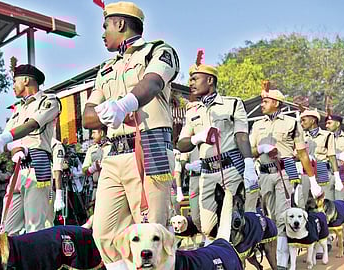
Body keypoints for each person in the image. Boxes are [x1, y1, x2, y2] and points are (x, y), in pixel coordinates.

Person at [82, 2, 180, 265]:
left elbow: (153, 82)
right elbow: (87, 116)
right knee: (104, 233)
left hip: (149, 148)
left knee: (152, 235)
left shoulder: (158, 51)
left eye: (106, 26)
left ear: (121, 24)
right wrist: (104, 112)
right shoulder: (105, 68)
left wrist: (124, 104)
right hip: (114, 154)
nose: (103, 34)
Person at [177, 61, 259, 240]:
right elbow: (181, 144)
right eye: (190, 79)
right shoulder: (192, 112)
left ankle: (236, 258)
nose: (191, 83)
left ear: (210, 80)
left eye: (195, 79)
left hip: (231, 167)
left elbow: (241, 136)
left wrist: (249, 164)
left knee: (233, 219)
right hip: (206, 172)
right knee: (204, 225)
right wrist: (196, 138)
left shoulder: (232, 104)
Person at [0, 64, 60, 235]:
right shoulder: (19, 108)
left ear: (25, 80)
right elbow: (7, 137)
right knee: (8, 230)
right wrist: (13, 147)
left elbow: (32, 125)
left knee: (35, 226)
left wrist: (5, 139)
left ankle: (37, 262)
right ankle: (13, 261)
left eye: (15, 81)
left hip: (37, 167)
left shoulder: (49, 100)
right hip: (18, 170)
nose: (13, 86)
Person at [249, 87, 321, 269]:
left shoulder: (292, 123)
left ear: (276, 103)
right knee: (268, 217)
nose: (261, 105)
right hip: (264, 175)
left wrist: (312, 181)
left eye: (265, 101)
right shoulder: (257, 125)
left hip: (284, 174)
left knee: (282, 217)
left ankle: (281, 262)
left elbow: (302, 153)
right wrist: (261, 149)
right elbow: (250, 151)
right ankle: (274, 256)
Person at [300, 110, 341, 201]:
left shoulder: (327, 135)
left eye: (304, 120)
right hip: (306, 172)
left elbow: (331, 156)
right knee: (305, 202)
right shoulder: (301, 136)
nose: (302, 123)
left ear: (312, 120)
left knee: (326, 202)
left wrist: (337, 176)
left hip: (322, 170)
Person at [82, 127, 107, 203]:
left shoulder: (111, 146)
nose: (92, 136)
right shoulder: (91, 150)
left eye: (94, 133)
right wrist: (93, 168)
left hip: (111, 186)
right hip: (97, 188)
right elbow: (84, 171)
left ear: (101, 133)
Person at [51, 137, 66, 214]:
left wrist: (58, 196)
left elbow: (58, 171)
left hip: (51, 186)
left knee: (48, 219)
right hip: (37, 184)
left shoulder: (56, 145)